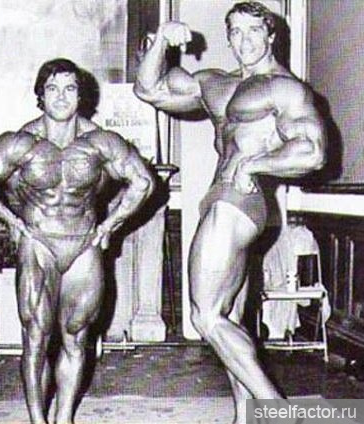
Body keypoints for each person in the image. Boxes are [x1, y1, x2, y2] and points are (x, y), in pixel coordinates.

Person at [134, 1, 325, 423]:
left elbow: (313, 152)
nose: (244, 40)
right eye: (235, 31)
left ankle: (279, 411)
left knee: (204, 317)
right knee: (230, 318)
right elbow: (150, 90)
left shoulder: (283, 88)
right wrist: (162, 40)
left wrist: (255, 163)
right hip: (224, 198)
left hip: (237, 202)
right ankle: (245, 415)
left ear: (271, 35)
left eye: (254, 30)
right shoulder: (216, 83)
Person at [0, 58, 155, 424]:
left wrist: (109, 225)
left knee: (75, 336)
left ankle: (64, 418)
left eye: (69, 88)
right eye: (52, 89)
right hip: (39, 243)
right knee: (36, 336)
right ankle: (38, 420)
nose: (61, 97)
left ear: (81, 96)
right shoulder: (22, 142)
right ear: (41, 96)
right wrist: (12, 221)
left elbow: (143, 182)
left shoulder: (100, 142)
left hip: (83, 244)